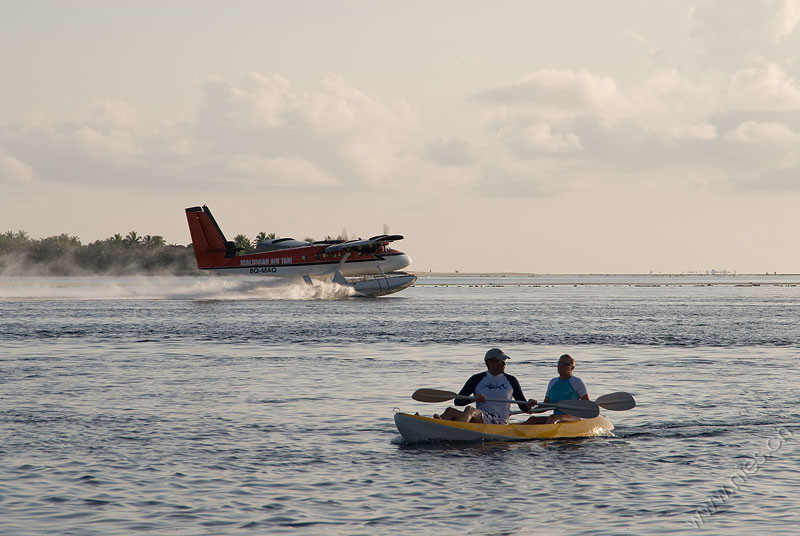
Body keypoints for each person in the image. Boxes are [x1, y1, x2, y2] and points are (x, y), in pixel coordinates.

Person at [434, 348, 536, 424]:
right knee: (449, 411)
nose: (504, 364)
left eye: (504, 361)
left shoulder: (511, 380)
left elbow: (524, 408)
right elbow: (458, 401)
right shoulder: (476, 379)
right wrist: (473, 399)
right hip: (481, 416)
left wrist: (529, 404)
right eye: (501, 361)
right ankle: (438, 426)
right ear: (490, 363)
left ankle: (453, 429)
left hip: (500, 421)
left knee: (469, 410)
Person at [523, 354, 589, 424]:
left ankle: (545, 434)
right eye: (559, 363)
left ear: (572, 368)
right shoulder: (552, 382)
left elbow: (587, 405)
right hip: (556, 417)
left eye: (565, 364)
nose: (561, 366)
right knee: (532, 419)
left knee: (554, 418)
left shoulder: (577, 382)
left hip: (573, 417)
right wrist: (531, 409)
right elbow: (546, 404)